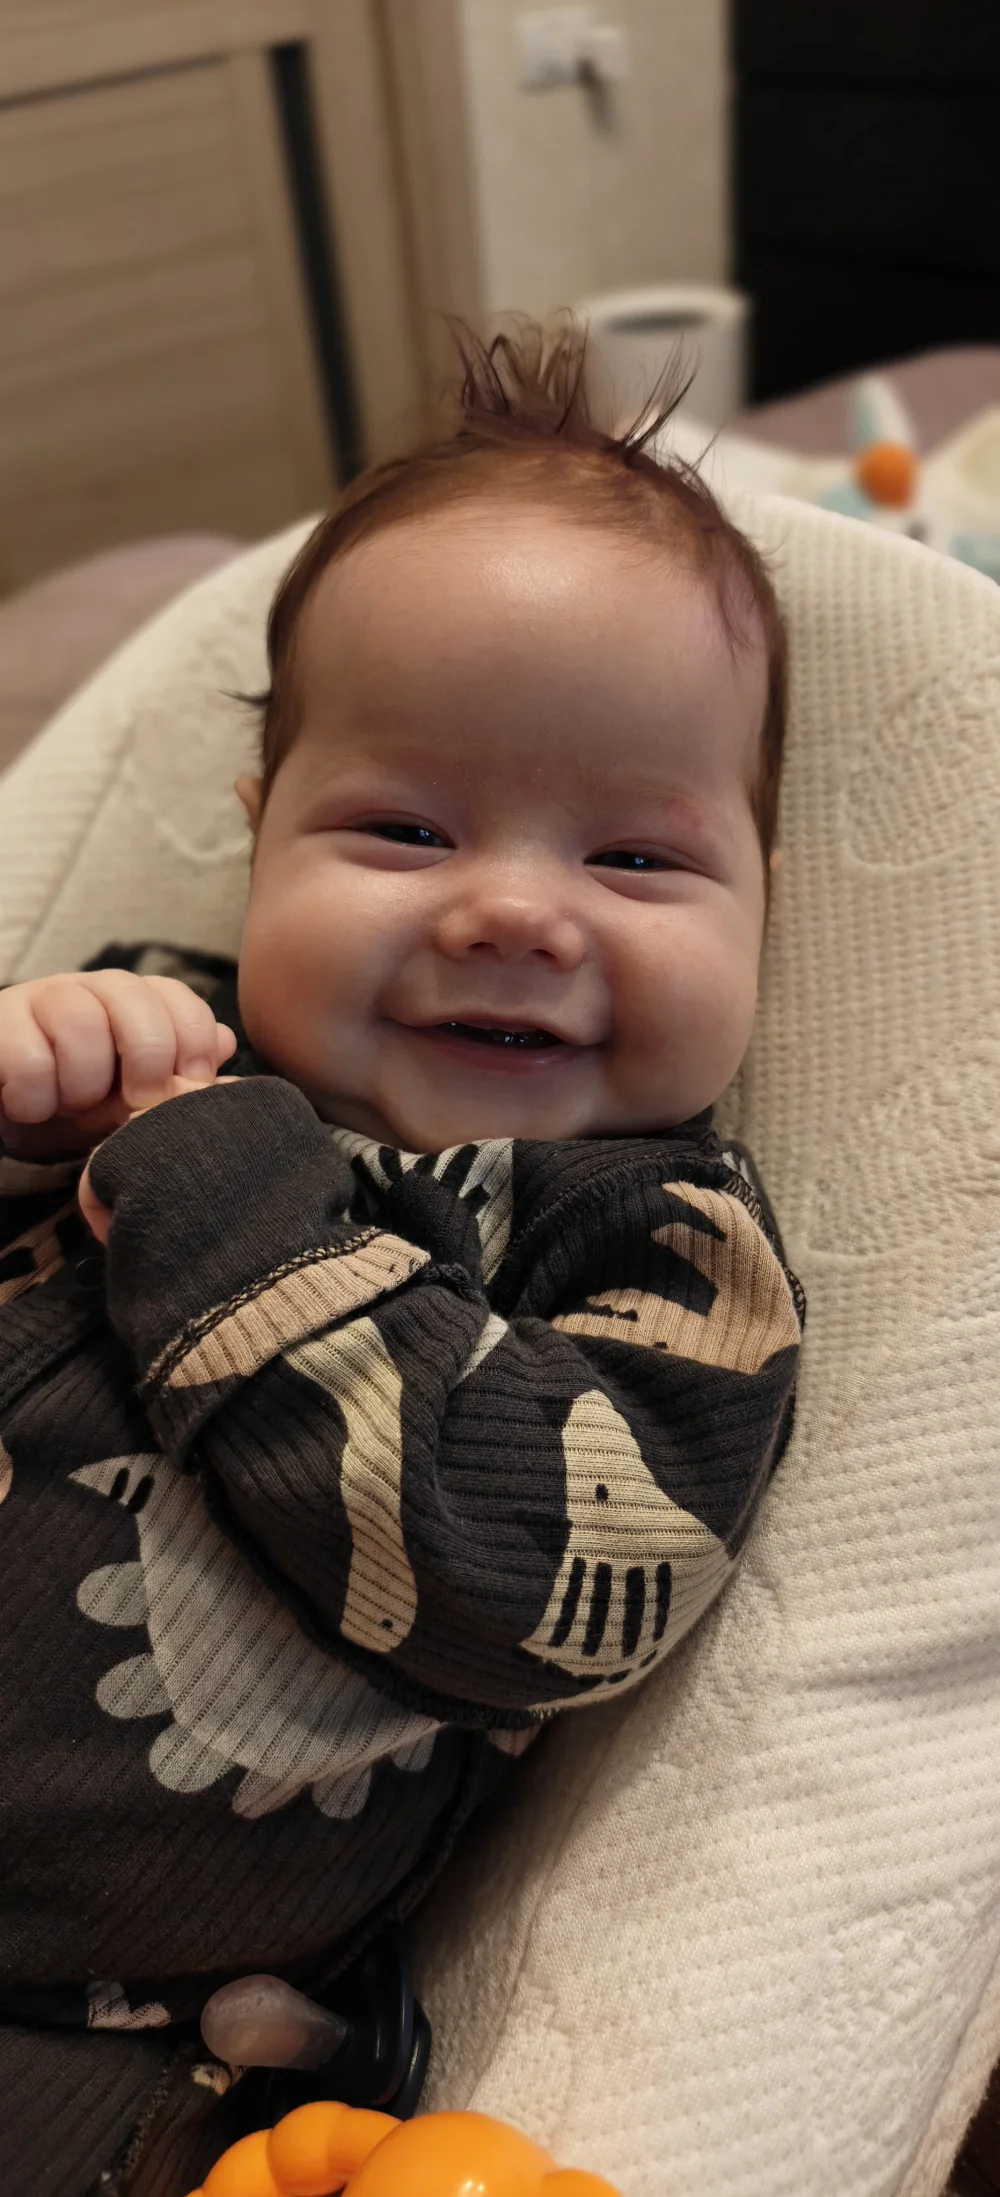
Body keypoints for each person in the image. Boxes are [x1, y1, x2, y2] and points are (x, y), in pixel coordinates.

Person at [0, 324, 804, 2197]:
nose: (512, 908)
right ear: (257, 845)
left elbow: (539, 1585)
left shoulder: (661, 1244)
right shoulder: (154, 1030)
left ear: (767, 899)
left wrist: (215, 1192)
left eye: (636, 860)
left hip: (88, 2020)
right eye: (404, 828)